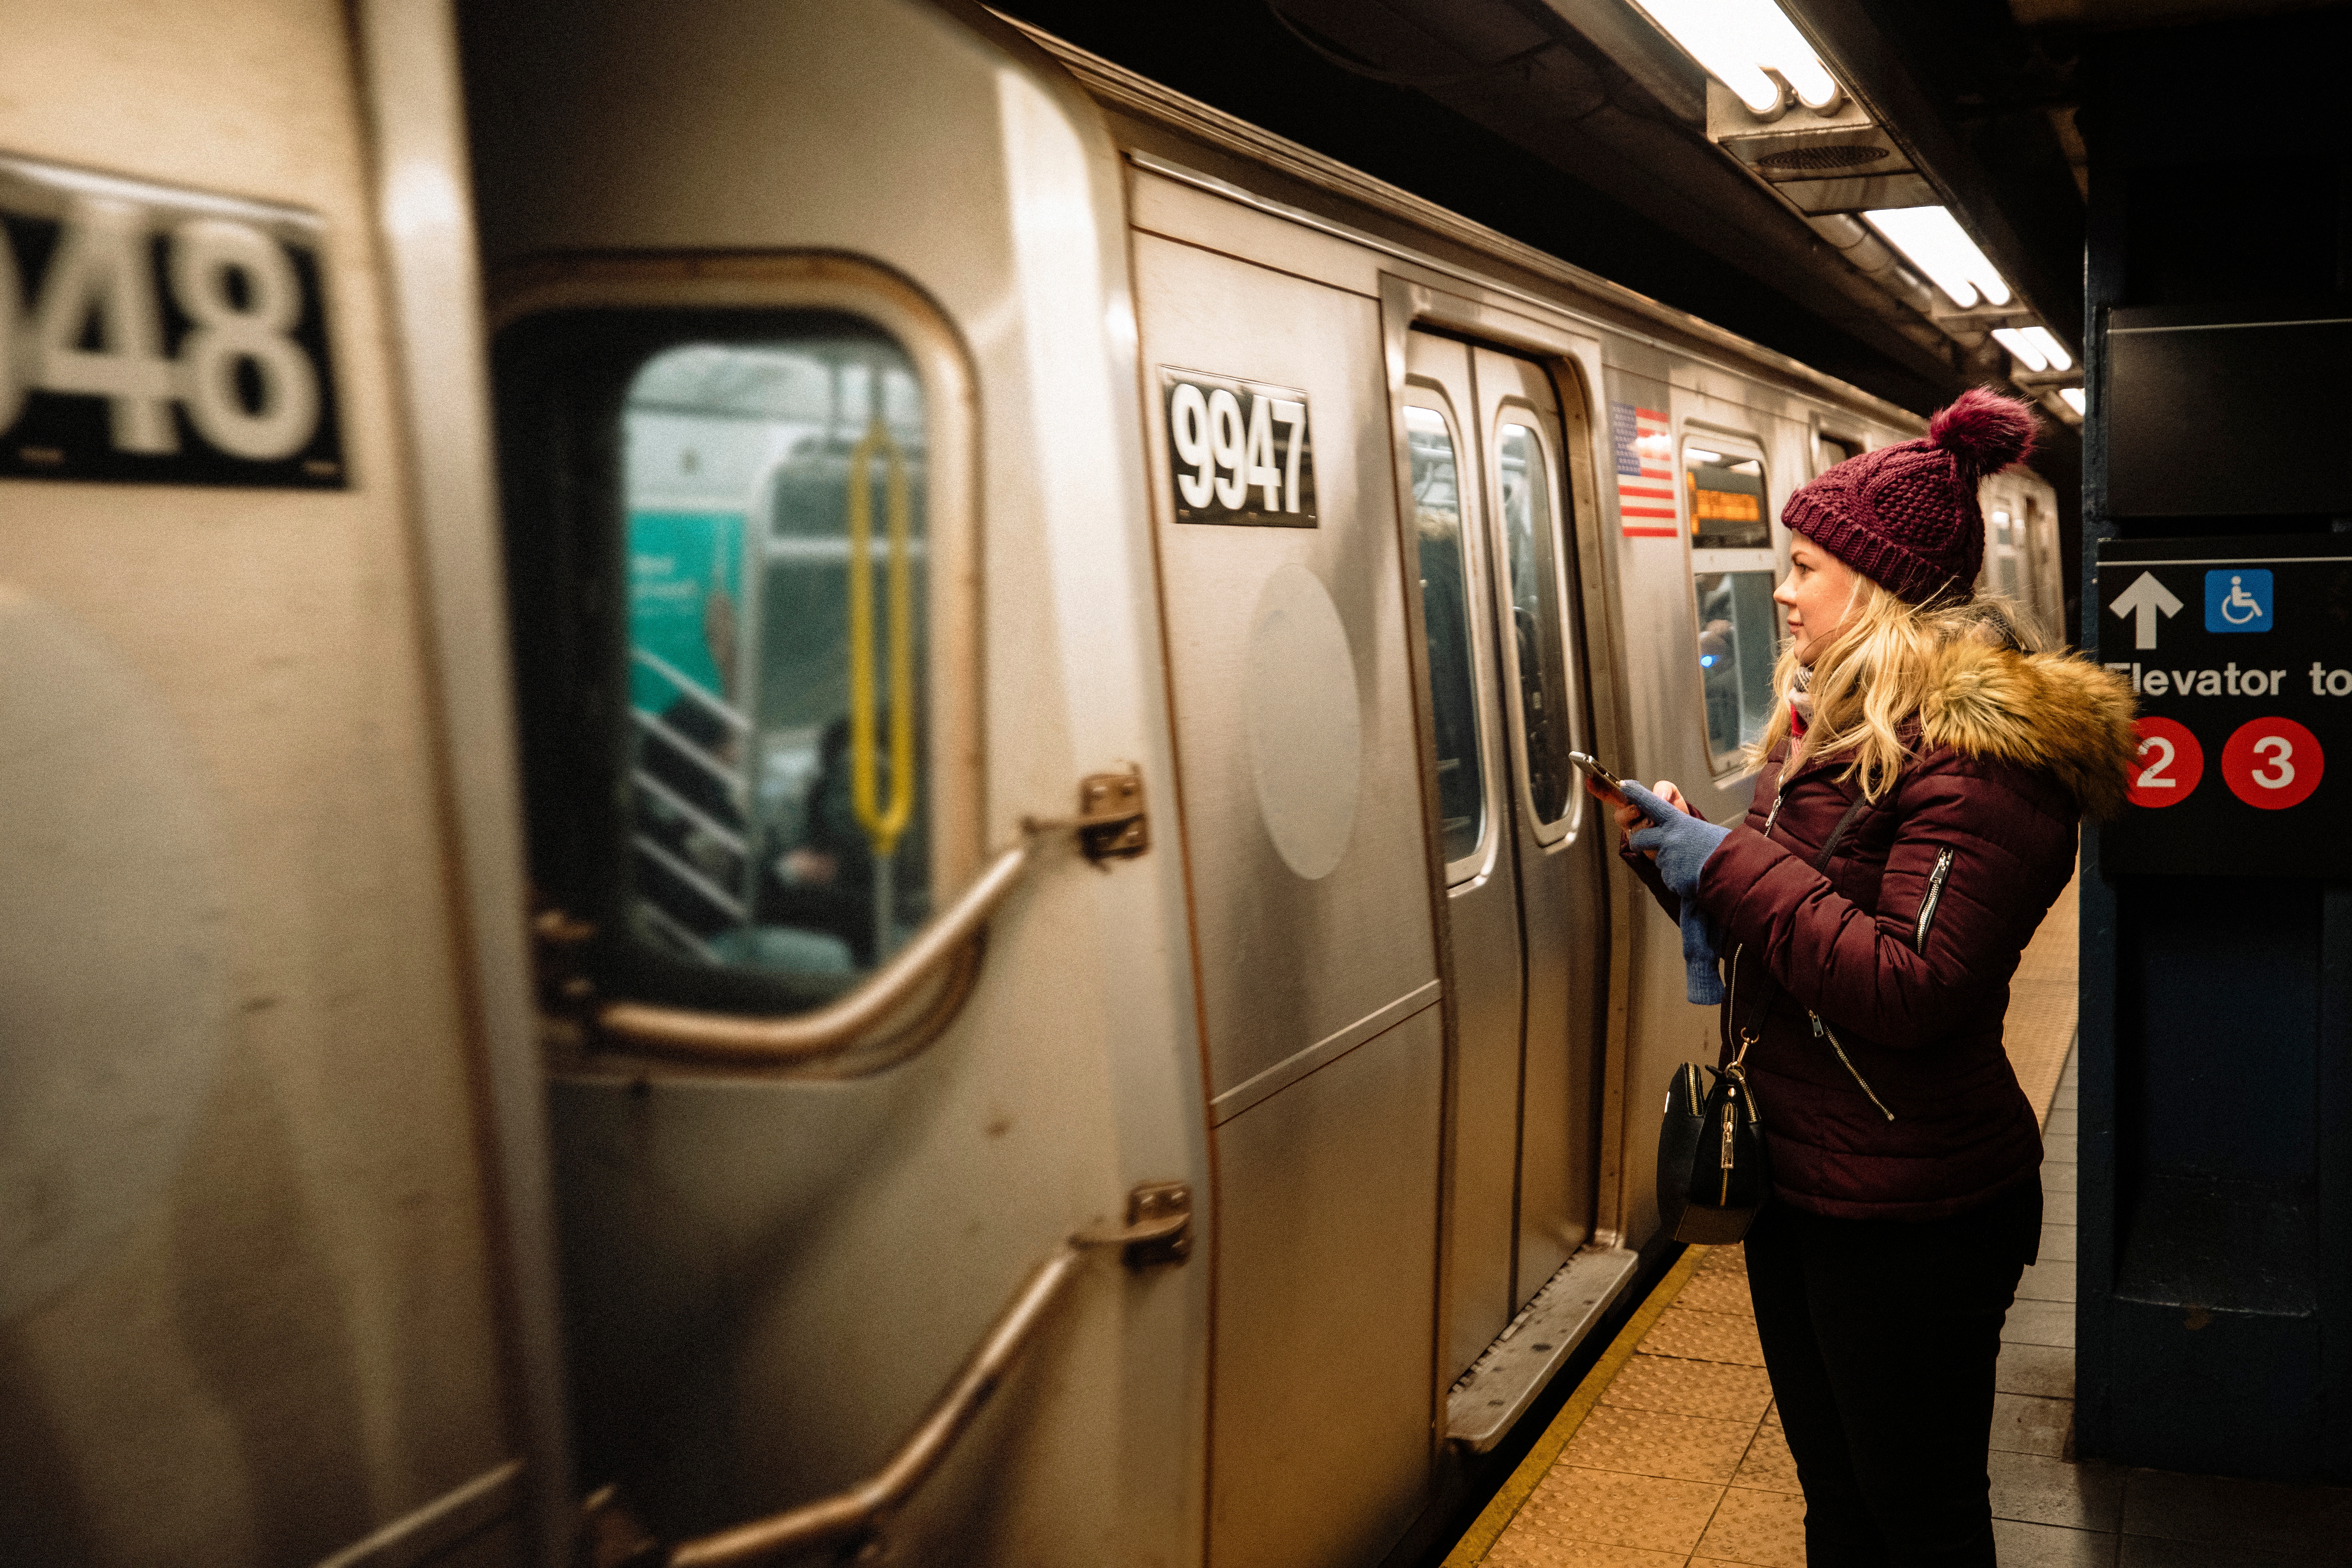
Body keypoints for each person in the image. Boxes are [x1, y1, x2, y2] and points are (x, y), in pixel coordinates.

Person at [1595, 389, 2137, 1566]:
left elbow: (1908, 984)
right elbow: (1793, 933)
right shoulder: (1832, 733)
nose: (1779, 591)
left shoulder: (1983, 764)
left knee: (1919, 1516)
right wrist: (1680, 860)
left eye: (1802, 567)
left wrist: (1725, 863)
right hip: (1804, 1182)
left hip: (1913, 1212)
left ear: (1879, 584)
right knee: (1836, 1500)